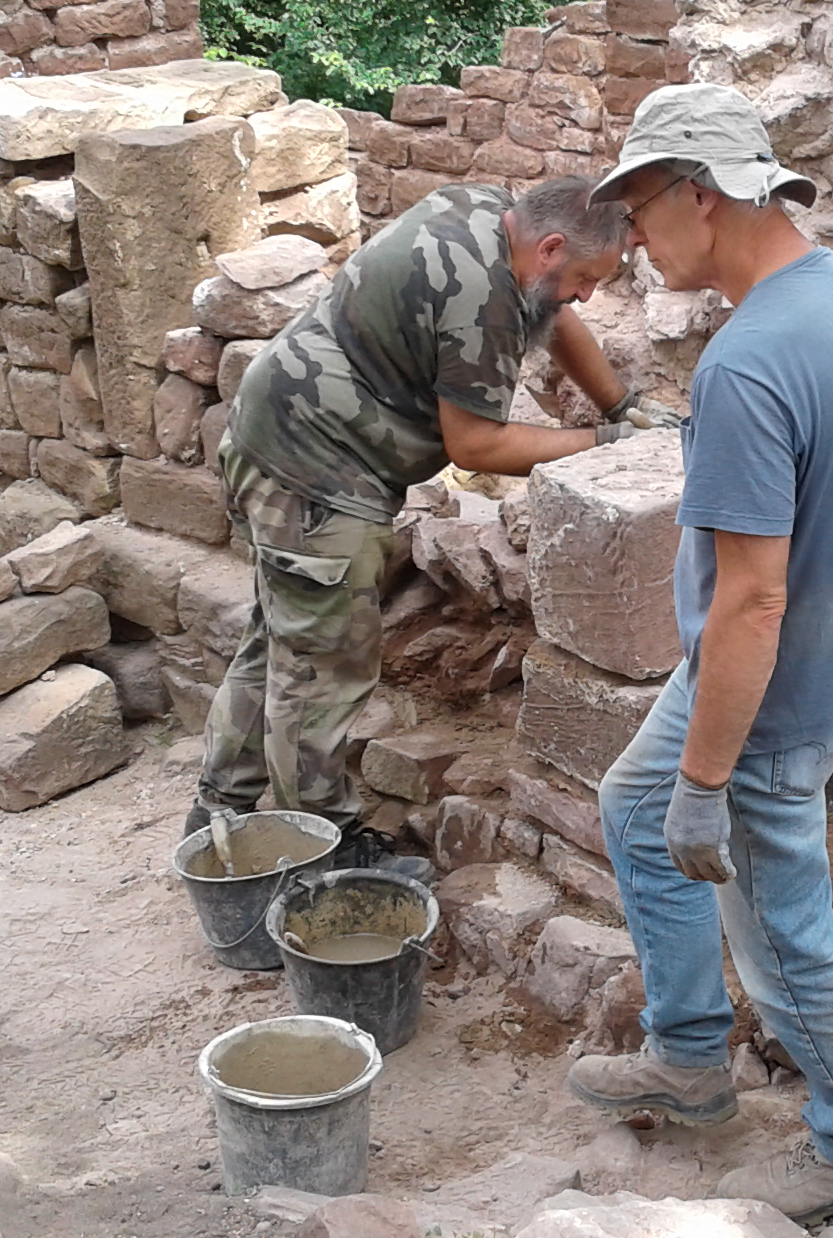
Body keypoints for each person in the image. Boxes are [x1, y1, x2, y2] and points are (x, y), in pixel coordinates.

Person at [563, 84, 833, 1224]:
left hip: (768, 684)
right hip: (818, 645)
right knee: (633, 805)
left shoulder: (746, 365)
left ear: (701, 195)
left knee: (778, 933)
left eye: (638, 211)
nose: (630, 241)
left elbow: (752, 600)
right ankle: (688, 1057)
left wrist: (710, 780)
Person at [194, 175, 653, 876]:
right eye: (587, 278)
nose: (588, 295)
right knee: (324, 665)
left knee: (286, 640)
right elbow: (477, 445)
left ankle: (221, 812)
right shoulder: (480, 300)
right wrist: (606, 443)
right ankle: (319, 860)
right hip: (315, 468)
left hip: (280, 430)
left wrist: (621, 404)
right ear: (551, 246)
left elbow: (555, 314)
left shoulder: (493, 215)